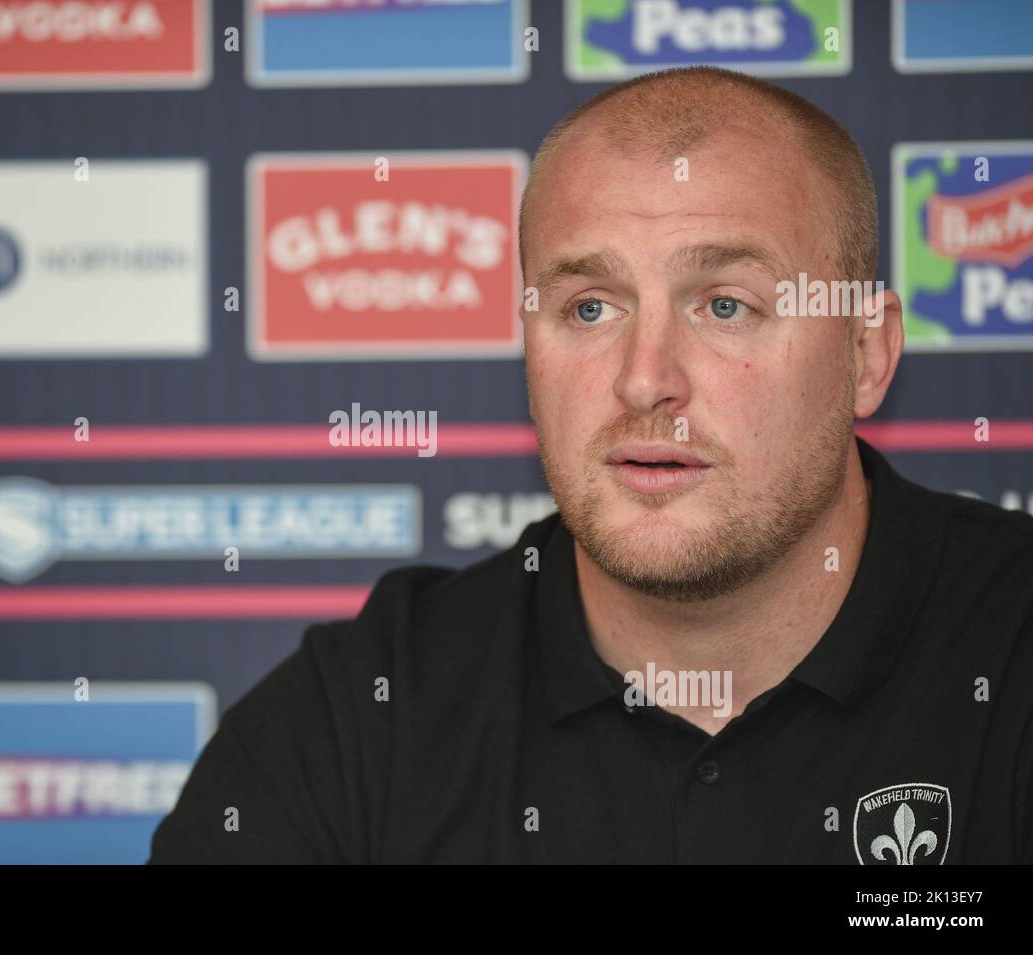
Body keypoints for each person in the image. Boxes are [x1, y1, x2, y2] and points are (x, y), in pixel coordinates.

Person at [150, 66, 1033, 864]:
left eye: (726, 304)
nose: (646, 378)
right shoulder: (354, 723)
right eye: (588, 308)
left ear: (866, 354)